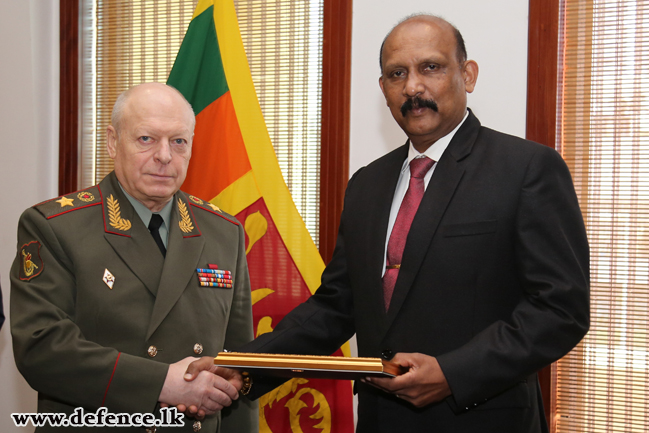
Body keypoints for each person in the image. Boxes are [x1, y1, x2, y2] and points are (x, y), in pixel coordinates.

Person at [186, 14, 590, 433]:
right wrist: (245, 366)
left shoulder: (526, 169)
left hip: (484, 419)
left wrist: (452, 373)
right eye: (397, 74)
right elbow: (335, 307)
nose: (413, 87)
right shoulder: (367, 184)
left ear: (467, 75)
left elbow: (561, 309)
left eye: (430, 68)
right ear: (383, 89)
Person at [10, 83, 258, 433]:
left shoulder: (223, 232)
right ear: (113, 141)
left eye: (178, 141)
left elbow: (237, 367)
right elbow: (41, 349)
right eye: (146, 139)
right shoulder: (55, 227)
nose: (164, 156)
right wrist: (161, 382)